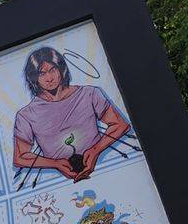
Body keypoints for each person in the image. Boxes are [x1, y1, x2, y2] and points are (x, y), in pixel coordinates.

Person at [11, 46, 132, 183]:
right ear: (33, 78)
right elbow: (20, 157)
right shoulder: (26, 115)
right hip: (59, 184)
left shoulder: (89, 94)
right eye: (42, 74)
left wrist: (95, 151)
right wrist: (55, 164)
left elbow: (120, 124)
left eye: (52, 70)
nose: (49, 78)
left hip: (108, 171)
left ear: (61, 69)